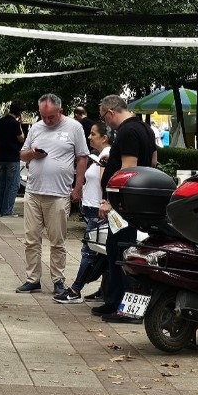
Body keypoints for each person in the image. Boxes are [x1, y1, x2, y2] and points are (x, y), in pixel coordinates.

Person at [91, 95, 156, 322]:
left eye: (103, 118)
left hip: (125, 204)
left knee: (123, 252)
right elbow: (154, 163)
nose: (105, 123)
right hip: (135, 202)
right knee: (115, 249)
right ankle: (114, 300)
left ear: (110, 112)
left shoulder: (128, 132)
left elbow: (128, 170)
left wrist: (111, 202)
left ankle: (128, 307)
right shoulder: (146, 129)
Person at [16, 94, 89, 297]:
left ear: (60, 111)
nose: (47, 121)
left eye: (51, 117)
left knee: (57, 240)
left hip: (59, 193)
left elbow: (82, 157)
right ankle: (33, 278)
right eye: (43, 116)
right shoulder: (36, 127)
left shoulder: (74, 127)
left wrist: (78, 186)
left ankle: (58, 279)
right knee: (31, 239)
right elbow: (22, 154)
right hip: (33, 191)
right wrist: (32, 153)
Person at [57, 120, 111, 304]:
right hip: (92, 209)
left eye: (93, 134)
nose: (89, 137)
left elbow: (106, 182)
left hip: (99, 211)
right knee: (101, 252)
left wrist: (104, 203)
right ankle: (104, 289)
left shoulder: (106, 154)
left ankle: (75, 290)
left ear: (104, 137)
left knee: (89, 251)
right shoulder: (99, 154)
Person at [0, 101, 26, 217]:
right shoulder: (15, 124)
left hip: (2, 156)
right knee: (12, 185)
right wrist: (20, 124)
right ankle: (7, 210)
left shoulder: (0, 122)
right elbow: (21, 139)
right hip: (13, 157)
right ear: (19, 113)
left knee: (2, 183)